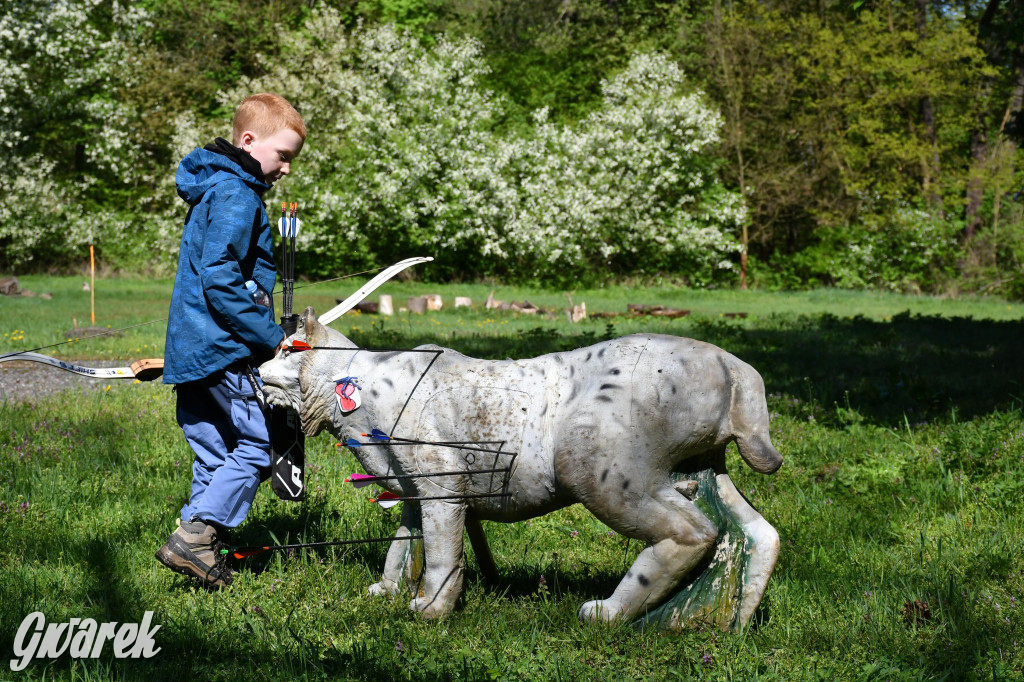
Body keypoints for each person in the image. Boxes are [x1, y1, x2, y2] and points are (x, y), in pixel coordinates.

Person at [155, 93, 305, 588]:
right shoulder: (238, 195)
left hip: (193, 352)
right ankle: (196, 537)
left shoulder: (215, 188)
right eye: (282, 155)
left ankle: (198, 551)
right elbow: (221, 281)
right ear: (248, 140)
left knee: (215, 456)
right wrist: (271, 339)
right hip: (222, 352)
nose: (285, 168)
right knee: (257, 450)